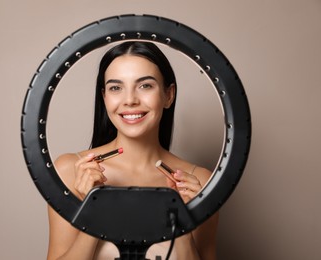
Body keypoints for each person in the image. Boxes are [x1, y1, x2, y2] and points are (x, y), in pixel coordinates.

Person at [47, 41, 218, 260]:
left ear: (169, 95)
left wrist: (181, 222)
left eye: (145, 85)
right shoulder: (70, 171)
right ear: (104, 97)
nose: (129, 100)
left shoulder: (200, 181)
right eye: (116, 88)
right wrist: (92, 209)